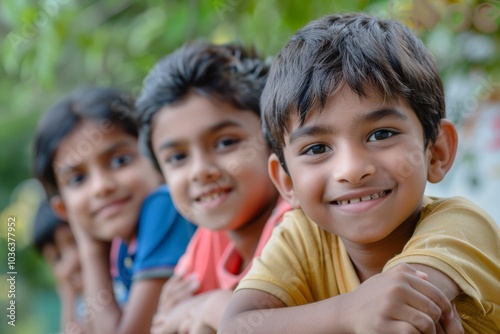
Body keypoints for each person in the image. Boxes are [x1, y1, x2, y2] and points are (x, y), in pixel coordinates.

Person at [219, 13, 500, 333]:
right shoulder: (302, 238)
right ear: (286, 182)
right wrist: (347, 312)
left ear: (436, 152)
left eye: (381, 134)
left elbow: (399, 313)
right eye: (316, 149)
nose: (351, 170)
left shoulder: (462, 228)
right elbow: (237, 326)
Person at [135, 41, 292, 333]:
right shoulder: (208, 242)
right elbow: (165, 324)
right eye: (178, 157)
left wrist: (209, 308)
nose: (200, 171)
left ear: (272, 137)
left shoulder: (297, 224)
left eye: (225, 143)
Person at [33, 86, 197, 334]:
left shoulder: (163, 206)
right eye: (78, 179)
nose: (102, 187)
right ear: (62, 208)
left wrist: (88, 246)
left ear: (153, 154)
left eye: (120, 161)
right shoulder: (122, 247)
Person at [33, 199, 86, 334]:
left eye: (75, 240)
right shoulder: (77, 304)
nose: (72, 260)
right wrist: (67, 296)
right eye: (58, 257)